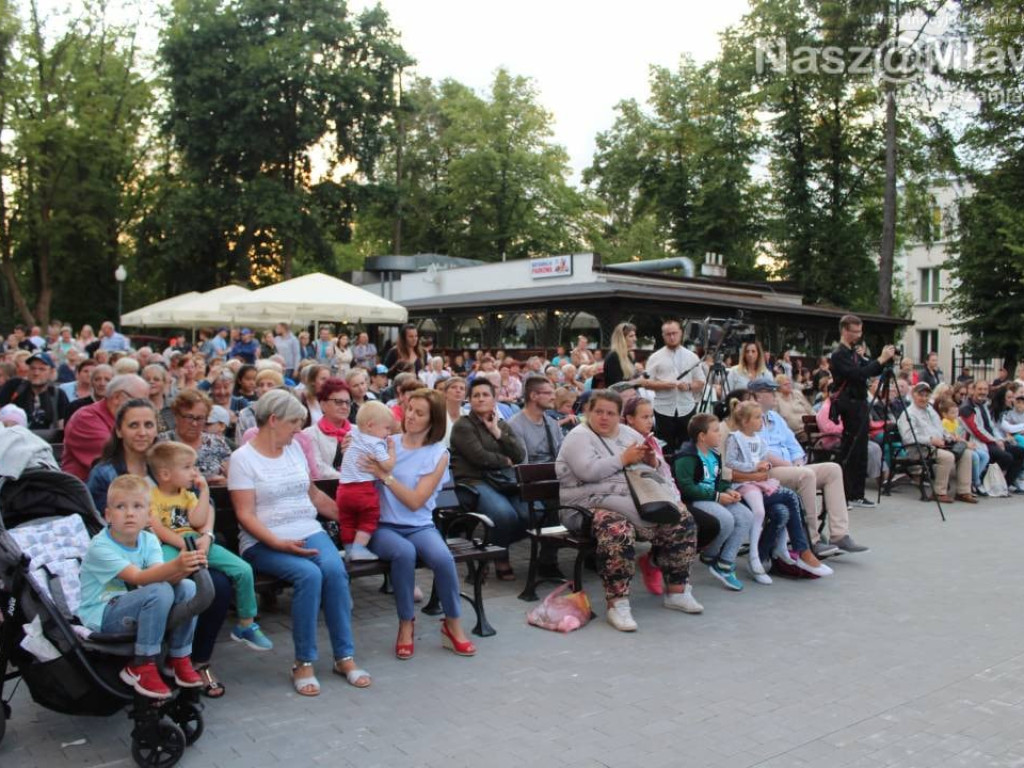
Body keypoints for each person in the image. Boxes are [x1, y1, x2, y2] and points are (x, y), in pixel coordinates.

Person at [229, 390, 371, 695]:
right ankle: (303, 661)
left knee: (334, 571)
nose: (298, 429)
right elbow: (245, 515)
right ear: (273, 420)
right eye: (294, 422)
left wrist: (350, 521)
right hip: (263, 539)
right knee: (309, 575)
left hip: (307, 528)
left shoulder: (293, 449)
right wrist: (279, 544)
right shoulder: (242, 459)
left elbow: (315, 496)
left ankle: (344, 656)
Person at [556, 389, 701, 632]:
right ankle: (617, 603)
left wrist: (650, 460)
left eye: (610, 413)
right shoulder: (578, 437)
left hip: (631, 501)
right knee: (616, 528)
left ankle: (677, 591)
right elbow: (588, 472)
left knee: (682, 519)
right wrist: (623, 459)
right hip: (585, 507)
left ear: (619, 416)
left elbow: (654, 461)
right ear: (588, 412)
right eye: (598, 412)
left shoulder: (628, 433)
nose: (604, 417)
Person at [355, 388, 477, 659]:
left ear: (432, 421)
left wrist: (384, 477)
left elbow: (415, 501)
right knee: (404, 553)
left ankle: (453, 625)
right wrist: (352, 449)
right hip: (383, 526)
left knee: (443, 558)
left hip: (419, 525)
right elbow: (357, 462)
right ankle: (405, 624)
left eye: (419, 413)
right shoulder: (388, 443)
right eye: (409, 408)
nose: (410, 416)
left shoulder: (438, 453)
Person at [76, 475, 206, 699]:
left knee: (188, 588)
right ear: (108, 515)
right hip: (103, 613)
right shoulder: (100, 546)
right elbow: (141, 577)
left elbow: (160, 576)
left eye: (137, 506)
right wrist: (177, 563)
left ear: (148, 516)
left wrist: (186, 568)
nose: (129, 513)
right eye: (120, 507)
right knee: (160, 590)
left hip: (135, 604)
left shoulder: (149, 540)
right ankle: (142, 663)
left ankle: (179, 656)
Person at [146, 441, 272, 652]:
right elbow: (158, 528)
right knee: (163, 576)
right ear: (166, 474)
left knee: (243, 569)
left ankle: (246, 623)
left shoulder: (187, 495)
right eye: (187, 467)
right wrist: (184, 545)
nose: (194, 473)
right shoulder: (152, 496)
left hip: (196, 542)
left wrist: (204, 492)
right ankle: (166, 628)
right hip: (170, 545)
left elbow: (198, 520)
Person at [750, 380, 868, 556]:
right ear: (757, 396)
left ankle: (839, 534)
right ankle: (811, 538)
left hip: (792, 467)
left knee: (833, 469)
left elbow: (793, 444)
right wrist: (792, 466)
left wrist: (798, 461)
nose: (775, 395)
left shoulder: (775, 418)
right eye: (770, 392)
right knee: (806, 475)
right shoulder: (750, 419)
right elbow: (761, 452)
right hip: (769, 471)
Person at [725, 401, 832, 578]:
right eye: (758, 418)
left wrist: (764, 465)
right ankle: (799, 549)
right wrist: (754, 467)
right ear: (745, 422)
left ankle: (771, 552)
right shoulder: (734, 438)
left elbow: (762, 458)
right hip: (742, 486)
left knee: (782, 510)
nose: (762, 421)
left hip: (759, 483)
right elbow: (729, 466)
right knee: (789, 497)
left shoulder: (758, 440)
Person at [450, 378, 527, 580]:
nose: (481, 399)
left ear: (494, 399)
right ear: (470, 400)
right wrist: (504, 460)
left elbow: (519, 455)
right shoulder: (463, 426)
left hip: (502, 481)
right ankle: (500, 557)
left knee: (529, 515)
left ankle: (485, 552)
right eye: (476, 395)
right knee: (505, 516)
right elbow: (478, 457)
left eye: (485, 395)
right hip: (474, 481)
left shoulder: (501, 424)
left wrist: (496, 432)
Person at [675, 413, 754, 590]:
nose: (720, 434)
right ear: (702, 436)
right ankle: (710, 554)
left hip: (714, 496)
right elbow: (686, 487)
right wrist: (718, 497)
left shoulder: (714, 454)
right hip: (695, 500)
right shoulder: (687, 456)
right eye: (716, 431)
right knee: (726, 519)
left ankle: (725, 562)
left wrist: (728, 490)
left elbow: (718, 481)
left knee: (746, 516)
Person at [829, 315, 896, 507]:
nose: (858, 335)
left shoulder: (854, 352)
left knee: (861, 450)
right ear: (844, 331)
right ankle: (844, 493)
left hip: (860, 403)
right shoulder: (839, 354)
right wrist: (880, 359)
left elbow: (869, 369)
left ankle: (857, 493)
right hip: (849, 403)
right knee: (850, 448)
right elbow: (857, 375)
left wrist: (882, 361)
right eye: (855, 331)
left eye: (860, 331)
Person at [507, 376, 568, 579]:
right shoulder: (516, 425)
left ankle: (593, 553)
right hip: (531, 483)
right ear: (534, 396)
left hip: (554, 479)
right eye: (548, 393)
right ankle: (548, 561)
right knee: (554, 503)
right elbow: (522, 463)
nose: (553, 397)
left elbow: (562, 454)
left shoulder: (551, 423)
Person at [334, 400, 394, 562]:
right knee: (370, 517)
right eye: (387, 428)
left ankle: (348, 550)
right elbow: (387, 466)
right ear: (370, 425)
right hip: (363, 490)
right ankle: (359, 548)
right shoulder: (376, 443)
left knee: (347, 521)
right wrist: (392, 450)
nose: (388, 433)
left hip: (343, 490)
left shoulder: (352, 434)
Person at [898, 382, 976, 503]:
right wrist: (930, 440)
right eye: (921, 395)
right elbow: (908, 437)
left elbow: (940, 428)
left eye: (926, 395)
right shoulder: (908, 414)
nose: (924, 398)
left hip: (938, 446)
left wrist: (951, 437)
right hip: (920, 449)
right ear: (913, 395)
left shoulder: (930, 410)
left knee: (966, 453)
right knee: (947, 456)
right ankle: (939, 492)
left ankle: (963, 491)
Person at [63, 374, 150, 480]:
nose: (146, 407)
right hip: (89, 490)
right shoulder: (85, 418)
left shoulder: (130, 419)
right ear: (117, 397)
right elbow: (118, 455)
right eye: (140, 402)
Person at [645, 319, 704, 454]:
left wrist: (688, 386)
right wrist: (664, 385)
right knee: (664, 448)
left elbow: (700, 382)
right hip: (663, 410)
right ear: (663, 336)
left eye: (674, 333)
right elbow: (646, 382)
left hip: (686, 408)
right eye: (668, 334)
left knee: (688, 447)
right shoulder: (655, 357)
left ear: (681, 333)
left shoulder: (692, 356)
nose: (672, 337)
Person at [961, 379, 1024, 492]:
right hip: (979, 442)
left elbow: (991, 427)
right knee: (1006, 457)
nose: (983, 392)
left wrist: (999, 439)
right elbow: (977, 430)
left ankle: (1005, 483)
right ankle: (986, 480)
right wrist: (995, 441)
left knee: (1019, 452)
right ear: (973, 390)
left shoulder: (984, 405)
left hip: (992, 440)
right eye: (979, 389)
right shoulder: (967, 408)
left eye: (985, 389)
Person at [157, 390, 232, 485]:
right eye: (189, 417)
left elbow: (234, 477)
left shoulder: (218, 443)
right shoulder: (162, 444)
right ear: (176, 417)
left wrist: (225, 482)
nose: (194, 423)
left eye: (200, 418)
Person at [0, 351, 69, 429]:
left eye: (42, 369)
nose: (36, 373)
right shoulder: (15, 386)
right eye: (32, 368)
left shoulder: (58, 394)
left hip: (46, 439)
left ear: (51, 372)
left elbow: (62, 424)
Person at [302, 378, 352, 480]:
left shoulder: (359, 431)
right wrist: (348, 478)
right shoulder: (309, 434)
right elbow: (318, 468)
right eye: (338, 402)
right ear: (323, 405)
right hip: (325, 490)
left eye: (347, 402)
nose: (344, 406)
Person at [774, 373, 815, 442]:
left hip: (809, 428)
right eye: (785, 384)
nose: (788, 386)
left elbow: (810, 410)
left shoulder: (797, 393)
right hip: (793, 434)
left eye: (789, 383)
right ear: (778, 387)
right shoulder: (776, 400)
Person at [603, 322, 638, 388]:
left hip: (628, 393)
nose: (635, 339)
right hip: (617, 396)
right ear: (621, 339)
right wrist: (637, 382)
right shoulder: (613, 356)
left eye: (634, 335)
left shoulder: (628, 355)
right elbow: (616, 385)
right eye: (631, 336)